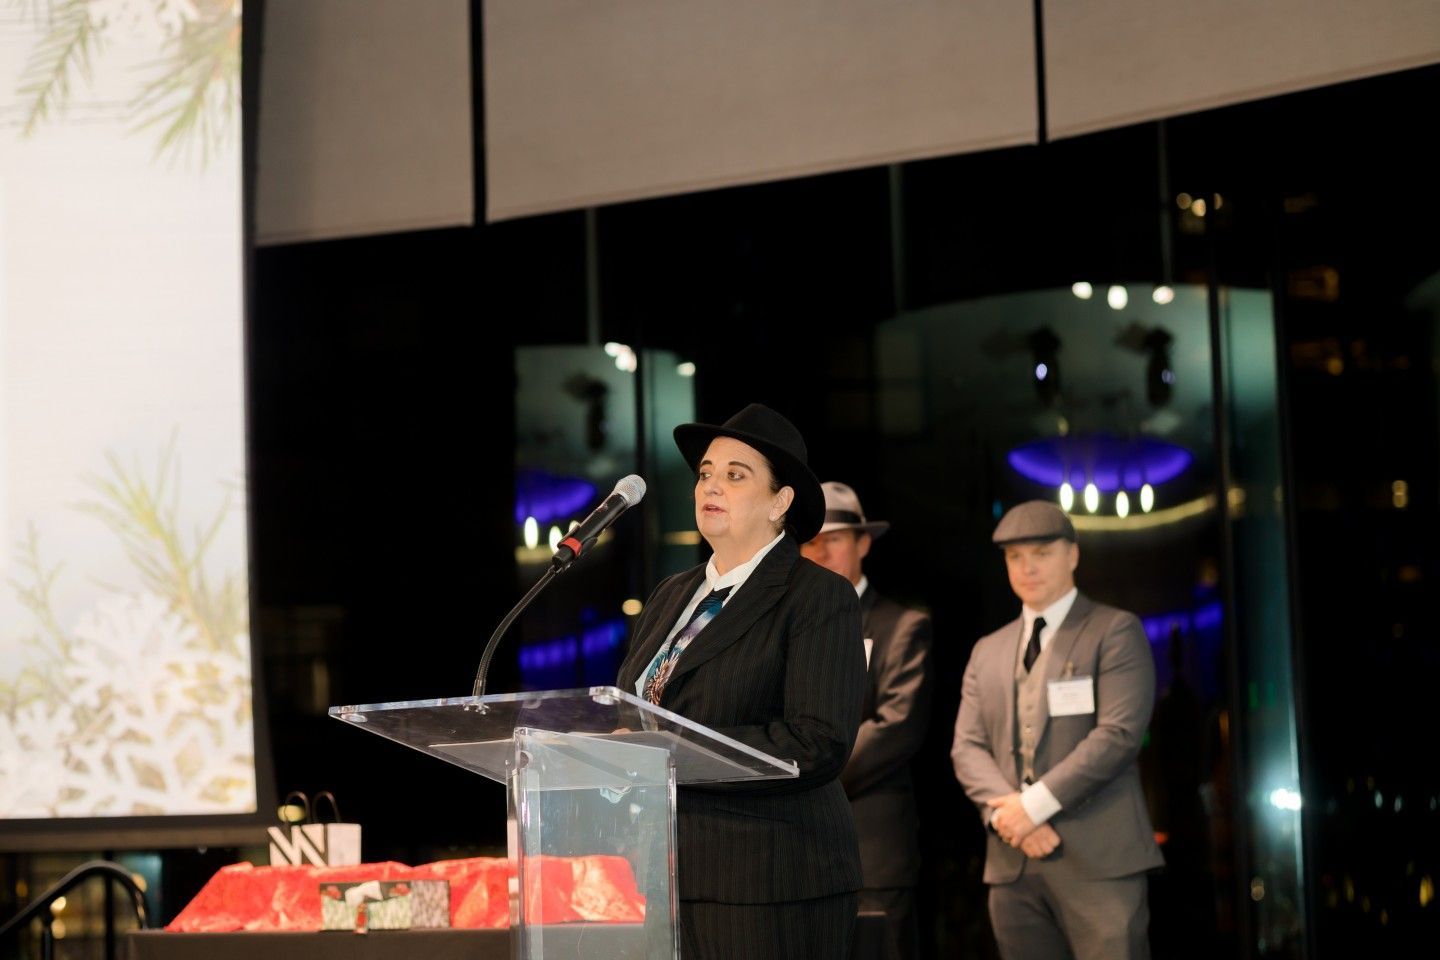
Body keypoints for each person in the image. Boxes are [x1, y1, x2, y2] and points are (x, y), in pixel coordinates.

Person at [616, 403, 867, 959]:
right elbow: (635, 712)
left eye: (736, 474)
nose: (712, 485)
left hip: (768, 881)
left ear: (781, 502)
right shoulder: (670, 596)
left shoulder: (818, 597)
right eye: (706, 473)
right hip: (659, 875)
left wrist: (672, 752)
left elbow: (816, 741)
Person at [951, 500, 1163, 960]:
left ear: (1073, 555)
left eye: (1042, 553)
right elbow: (966, 748)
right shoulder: (988, 649)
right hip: (1012, 865)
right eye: (1014, 556)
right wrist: (1012, 820)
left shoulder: (1114, 630)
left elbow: (1119, 735)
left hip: (1099, 862)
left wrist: (1033, 806)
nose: (1027, 567)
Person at [800, 481, 931, 960]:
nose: (820, 551)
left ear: (863, 544)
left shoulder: (901, 626)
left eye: (833, 539)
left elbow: (898, 724)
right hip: (797, 852)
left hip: (871, 851)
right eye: (810, 541)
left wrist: (806, 772)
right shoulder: (790, 627)